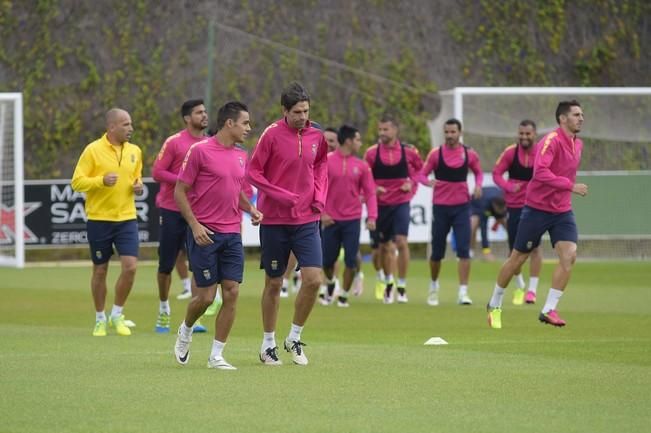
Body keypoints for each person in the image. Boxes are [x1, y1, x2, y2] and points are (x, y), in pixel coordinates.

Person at [173, 101, 262, 370]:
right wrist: (195, 225)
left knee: (232, 292)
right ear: (229, 123)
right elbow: (179, 191)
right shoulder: (199, 151)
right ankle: (186, 330)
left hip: (232, 232)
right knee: (207, 298)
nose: (249, 128)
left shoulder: (240, 155)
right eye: (245, 123)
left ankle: (216, 356)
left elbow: (235, 190)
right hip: (205, 234)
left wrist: (251, 209)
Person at [246, 82, 328, 366]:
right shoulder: (270, 135)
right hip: (275, 220)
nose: (303, 116)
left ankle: (294, 337)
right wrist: (281, 195)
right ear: (284, 110)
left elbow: (320, 165)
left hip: (307, 219)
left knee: (314, 279)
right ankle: (268, 343)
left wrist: (319, 195)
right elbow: (253, 172)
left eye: (306, 110)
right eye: (297, 112)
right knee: (274, 282)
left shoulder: (318, 134)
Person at [486, 100, 587, 329]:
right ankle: (495, 303)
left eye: (582, 114)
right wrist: (569, 186)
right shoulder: (550, 141)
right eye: (576, 114)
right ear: (562, 118)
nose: (581, 118)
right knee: (517, 259)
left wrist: (565, 191)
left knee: (569, 255)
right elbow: (540, 172)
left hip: (562, 210)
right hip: (537, 209)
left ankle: (549, 309)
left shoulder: (578, 144)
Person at [71, 108, 143, 337]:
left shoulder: (135, 151)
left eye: (131, 124)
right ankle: (100, 318)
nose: (130, 128)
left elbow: (136, 178)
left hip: (127, 218)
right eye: (125, 124)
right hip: (99, 219)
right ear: (111, 127)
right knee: (100, 271)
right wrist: (101, 181)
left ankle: (117, 314)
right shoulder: (93, 150)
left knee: (130, 267)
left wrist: (138, 186)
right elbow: (77, 182)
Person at [151, 99, 208, 333]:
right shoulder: (174, 142)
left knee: (198, 264)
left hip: (198, 212)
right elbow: (157, 172)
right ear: (187, 118)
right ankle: (164, 310)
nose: (204, 116)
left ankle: (193, 319)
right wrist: (184, 181)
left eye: (205, 112)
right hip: (172, 209)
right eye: (199, 112)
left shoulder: (209, 143)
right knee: (166, 265)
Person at [418, 118, 483, 306]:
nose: (449, 136)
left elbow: (478, 172)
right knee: (437, 253)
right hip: (440, 208)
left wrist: (478, 185)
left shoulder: (469, 154)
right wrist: (427, 182)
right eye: (446, 132)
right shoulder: (435, 154)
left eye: (453, 132)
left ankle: (463, 292)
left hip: (462, 207)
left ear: (460, 133)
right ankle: (433, 287)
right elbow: (421, 174)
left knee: (464, 251)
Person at [364, 114, 423, 304]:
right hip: (380, 205)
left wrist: (411, 183)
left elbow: (421, 171)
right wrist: (374, 188)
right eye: (379, 129)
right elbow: (365, 178)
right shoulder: (372, 153)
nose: (381, 133)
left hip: (401, 202)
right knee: (383, 248)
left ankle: (402, 285)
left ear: (395, 130)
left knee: (401, 242)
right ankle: (388, 281)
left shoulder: (409, 151)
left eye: (385, 129)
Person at [320, 125, 377, 307]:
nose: (360, 143)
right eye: (358, 140)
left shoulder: (362, 166)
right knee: (327, 261)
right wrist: (322, 213)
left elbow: (370, 193)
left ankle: (344, 295)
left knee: (351, 260)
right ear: (349, 141)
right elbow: (315, 188)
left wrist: (372, 217)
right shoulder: (326, 162)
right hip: (330, 220)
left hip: (352, 219)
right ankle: (330, 283)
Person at [492, 119, 543, 305]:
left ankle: (532, 290)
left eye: (528, 134)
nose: (524, 137)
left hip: (536, 207)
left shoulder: (541, 152)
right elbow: (497, 173)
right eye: (521, 133)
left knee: (536, 248)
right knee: (515, 251)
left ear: (534, 134)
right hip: (514, 208)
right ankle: (520, 284)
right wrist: (508, 186)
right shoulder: (510, 153)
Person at [470, 186, 507, 261]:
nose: (500, 211)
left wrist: (496, 224)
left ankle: (516, 250)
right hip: (475, 204)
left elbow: (501, 215)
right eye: (498, 210)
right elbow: (484, 228)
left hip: (491, 199)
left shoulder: (504, 200)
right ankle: (470, 252)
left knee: (507, 224)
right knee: (474, 224)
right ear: (494, 206)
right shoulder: (484, 205)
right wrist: (486, 251)